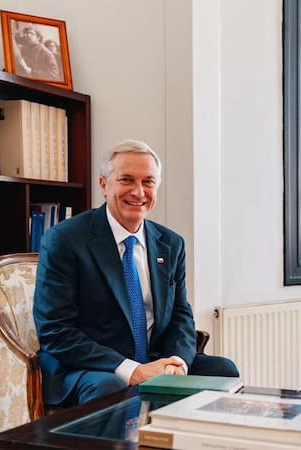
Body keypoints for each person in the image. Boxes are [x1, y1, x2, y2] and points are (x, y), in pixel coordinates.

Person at [34, 139, 239, 407]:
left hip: (153, 358)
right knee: (111, 386)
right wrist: (132, 370)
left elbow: (180, 315)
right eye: (126, 180)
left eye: (148, 182)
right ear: (104, 185)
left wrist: (176, 362)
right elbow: (55, 330)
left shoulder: (171, 243)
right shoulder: (64, 240)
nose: (138, 192)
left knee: (223, 370)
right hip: (90, 366)